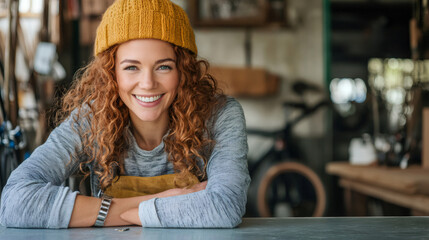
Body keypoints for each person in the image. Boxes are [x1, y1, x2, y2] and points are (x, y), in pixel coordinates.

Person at [0, 0, 250, 228]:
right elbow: (14, 201)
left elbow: (225, 207)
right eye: (131, 67)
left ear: (184, 70)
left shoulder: (220, 116)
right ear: (111, 74)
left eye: (163, 66)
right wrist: (155, 201)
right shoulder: (91, 119)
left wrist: (101, 213)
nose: (148, 83)